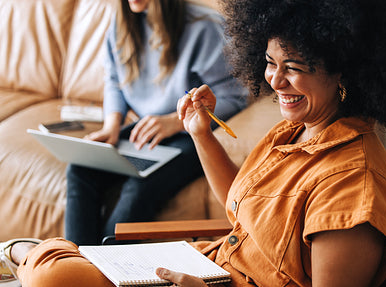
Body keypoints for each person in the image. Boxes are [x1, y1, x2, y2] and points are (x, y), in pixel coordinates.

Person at [0, 0, 386, 287]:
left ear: (348, 75)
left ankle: (20, 251)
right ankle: (44, 257)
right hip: (214, 275)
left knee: (53, 282)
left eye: (294, 68)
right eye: (269, 63)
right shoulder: (297, 131)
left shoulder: (353, 180)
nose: (275, 82)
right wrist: (200, 133)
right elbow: (241, 207)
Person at [64, 0, 248, 246]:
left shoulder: (203, 27)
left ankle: (104, 271)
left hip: (188, 134)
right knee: (80, 167)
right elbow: (114, 80)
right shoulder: (121, 24)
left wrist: (175, 121)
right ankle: (73, 266)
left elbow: (234, 97)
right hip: (147, 129)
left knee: (140, 184)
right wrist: (112, 126)